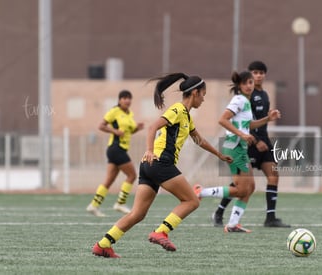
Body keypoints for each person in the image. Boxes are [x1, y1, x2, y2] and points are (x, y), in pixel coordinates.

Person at [92, 73, 233, 258]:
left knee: (137, 214)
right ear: (195, 92)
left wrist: (219, 154)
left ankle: (103, 245)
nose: (204, 99)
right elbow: (152, 127)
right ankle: (161, 232)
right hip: (159, 162)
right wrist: (149, 150)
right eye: (203, 94)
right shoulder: (177, 110)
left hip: (149, 165)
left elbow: (199, 140)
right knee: (191, 201)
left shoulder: (187, 117)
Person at [194, 71, 281, 233]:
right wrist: (241, 134)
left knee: (250, 187)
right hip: (235, 147)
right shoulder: (239, 100)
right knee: (241, 189)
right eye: (246, 83)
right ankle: (201, 192)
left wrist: (268, 119)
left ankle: (233, 224)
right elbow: (222, 119)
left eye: (251, 83)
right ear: (239, 86)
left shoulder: (246, 102)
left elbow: (249, 125)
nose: (249, 85)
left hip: (240, 147)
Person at [211, 61, 290, 228]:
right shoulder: (245, 97)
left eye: (261, 72)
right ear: (247, 78)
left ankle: (270, 218)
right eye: (255, 72)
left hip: (264, 141)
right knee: (242, 184)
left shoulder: (265, 94)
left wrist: (269, 120)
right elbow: (244, 123)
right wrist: (255, 139)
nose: (258, 75)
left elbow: (254, 120)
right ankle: (219, 211)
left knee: (274, 175)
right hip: (250, 142)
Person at [86, 90, 144, 217]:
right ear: (119, 100)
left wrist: (136, 128)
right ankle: (120, 203)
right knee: (132, 175)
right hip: (116, 148)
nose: (127, 100)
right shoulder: (114, 111)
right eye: (124, 98)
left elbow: (128, 132)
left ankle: (94, 205)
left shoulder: (129, 114)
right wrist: (115, 131)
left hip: (120, 149)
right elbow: (101, 126)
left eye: (129, 98)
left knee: (109, 179)